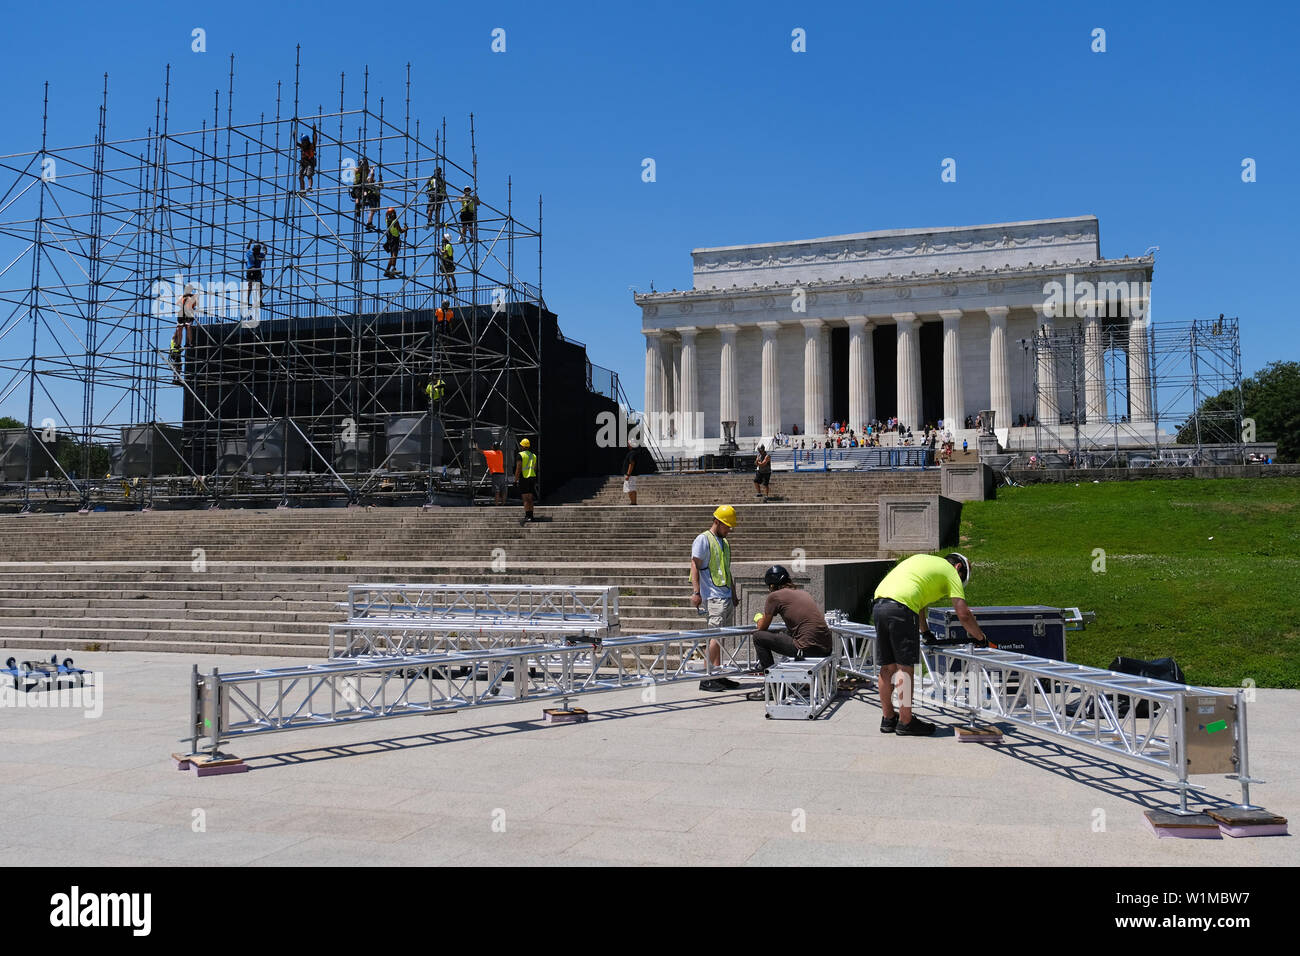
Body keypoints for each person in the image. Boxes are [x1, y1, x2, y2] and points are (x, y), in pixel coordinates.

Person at [872, 552, 988, 736]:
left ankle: (888, 719)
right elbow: (963, 614)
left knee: (887, 667)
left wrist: (925, 632)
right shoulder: (951, 572)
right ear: (959, 567)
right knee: (905, 668)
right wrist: (981, 638)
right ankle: (906, 721)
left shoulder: (925, 563)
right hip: (902, 607)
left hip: (879, 603)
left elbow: (919, 604)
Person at [691, 505, 740, 692]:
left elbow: (727, 570)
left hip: (725, 595)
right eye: (726, 526)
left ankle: (718, 674)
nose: (728, 530)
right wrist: (696, 592)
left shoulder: (724, 542)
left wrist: (733, 594)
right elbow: (694, 565)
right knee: (714, 636)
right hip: (713, 597)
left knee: (720, 637)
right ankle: (706, 677)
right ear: (717, 522)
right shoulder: (703, 539)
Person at [751, 565, 833, 674]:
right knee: (787, 632)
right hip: (826, 649)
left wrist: (758, 617)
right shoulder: (803, 593)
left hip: (806, 650)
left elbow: (762, 627)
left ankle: (771, 681)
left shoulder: (774, 596)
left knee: (758, 637)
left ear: (771, 585)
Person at [172, 283, 199, 375]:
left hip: (189, 312)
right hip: (181, 313)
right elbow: (178, 303)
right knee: (179, 328)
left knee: (188, 326)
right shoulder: (182, 296)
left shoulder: (193, 296)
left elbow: (195, 304)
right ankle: (179, 344)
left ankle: (189, 342)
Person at [515, 437, 537, 525]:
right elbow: (535, 468)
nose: (520, 447)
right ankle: (531, 516)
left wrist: (516, 479)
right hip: (532, 477)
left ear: (523, 446)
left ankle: (527, 516)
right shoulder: (533, 455)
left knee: (525, 498)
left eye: (521, 445)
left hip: (524, 478)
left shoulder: (520, 455)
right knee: (530, 498)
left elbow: (518, 468)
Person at [482, 440, 507, 506]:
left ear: (493, 447)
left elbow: (480, 451)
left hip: (496, 474)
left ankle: (496, 504)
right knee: (503, 489)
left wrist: (476, 446)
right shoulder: (500, 453)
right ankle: (503, 504)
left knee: (497, 490)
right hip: (502, 473)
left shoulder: (491, 453)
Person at [382, 208, 404, 278]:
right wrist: (406, 229)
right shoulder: (395, 221)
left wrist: (387, 212)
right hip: (395, 240)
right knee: (394, 255)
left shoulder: (387, 221)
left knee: (392, 256)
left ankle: (387, 271)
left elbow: (385, 216)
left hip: (389, 240)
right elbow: (401, 231)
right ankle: (393, 269)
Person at [244, 241, 266, 311]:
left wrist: (249, 243)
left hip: (250, 270)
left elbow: (246, 249)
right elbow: (265, 252)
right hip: (257, 271)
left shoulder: (250, 254)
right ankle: (260, 301)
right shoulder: (260, 255)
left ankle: (247, 301)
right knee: (259, 287)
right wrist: (264, 245)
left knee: (250, 286)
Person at [297, 126, 317, 193]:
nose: (304, 143)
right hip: (303, 163)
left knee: (309, 175)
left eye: (305, 142)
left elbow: (315, 139)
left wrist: (314, 131)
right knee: (300, 176)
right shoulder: (302, 146)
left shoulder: (311, 146)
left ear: (307, 141)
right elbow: (296, 144)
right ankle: (302, 190)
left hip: (309, 163)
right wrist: (294, 137)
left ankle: (310, 187)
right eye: (303, 142)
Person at [623, 440, 641, 505]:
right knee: (630, 488)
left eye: (628, 443)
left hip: (630, 475)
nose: (628, 445)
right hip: (631, 475)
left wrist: (628, 474)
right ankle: (633, 502)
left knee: (631, 488)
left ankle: (633, 502)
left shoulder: (632, 453)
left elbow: (632, 463)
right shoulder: (633, 452)